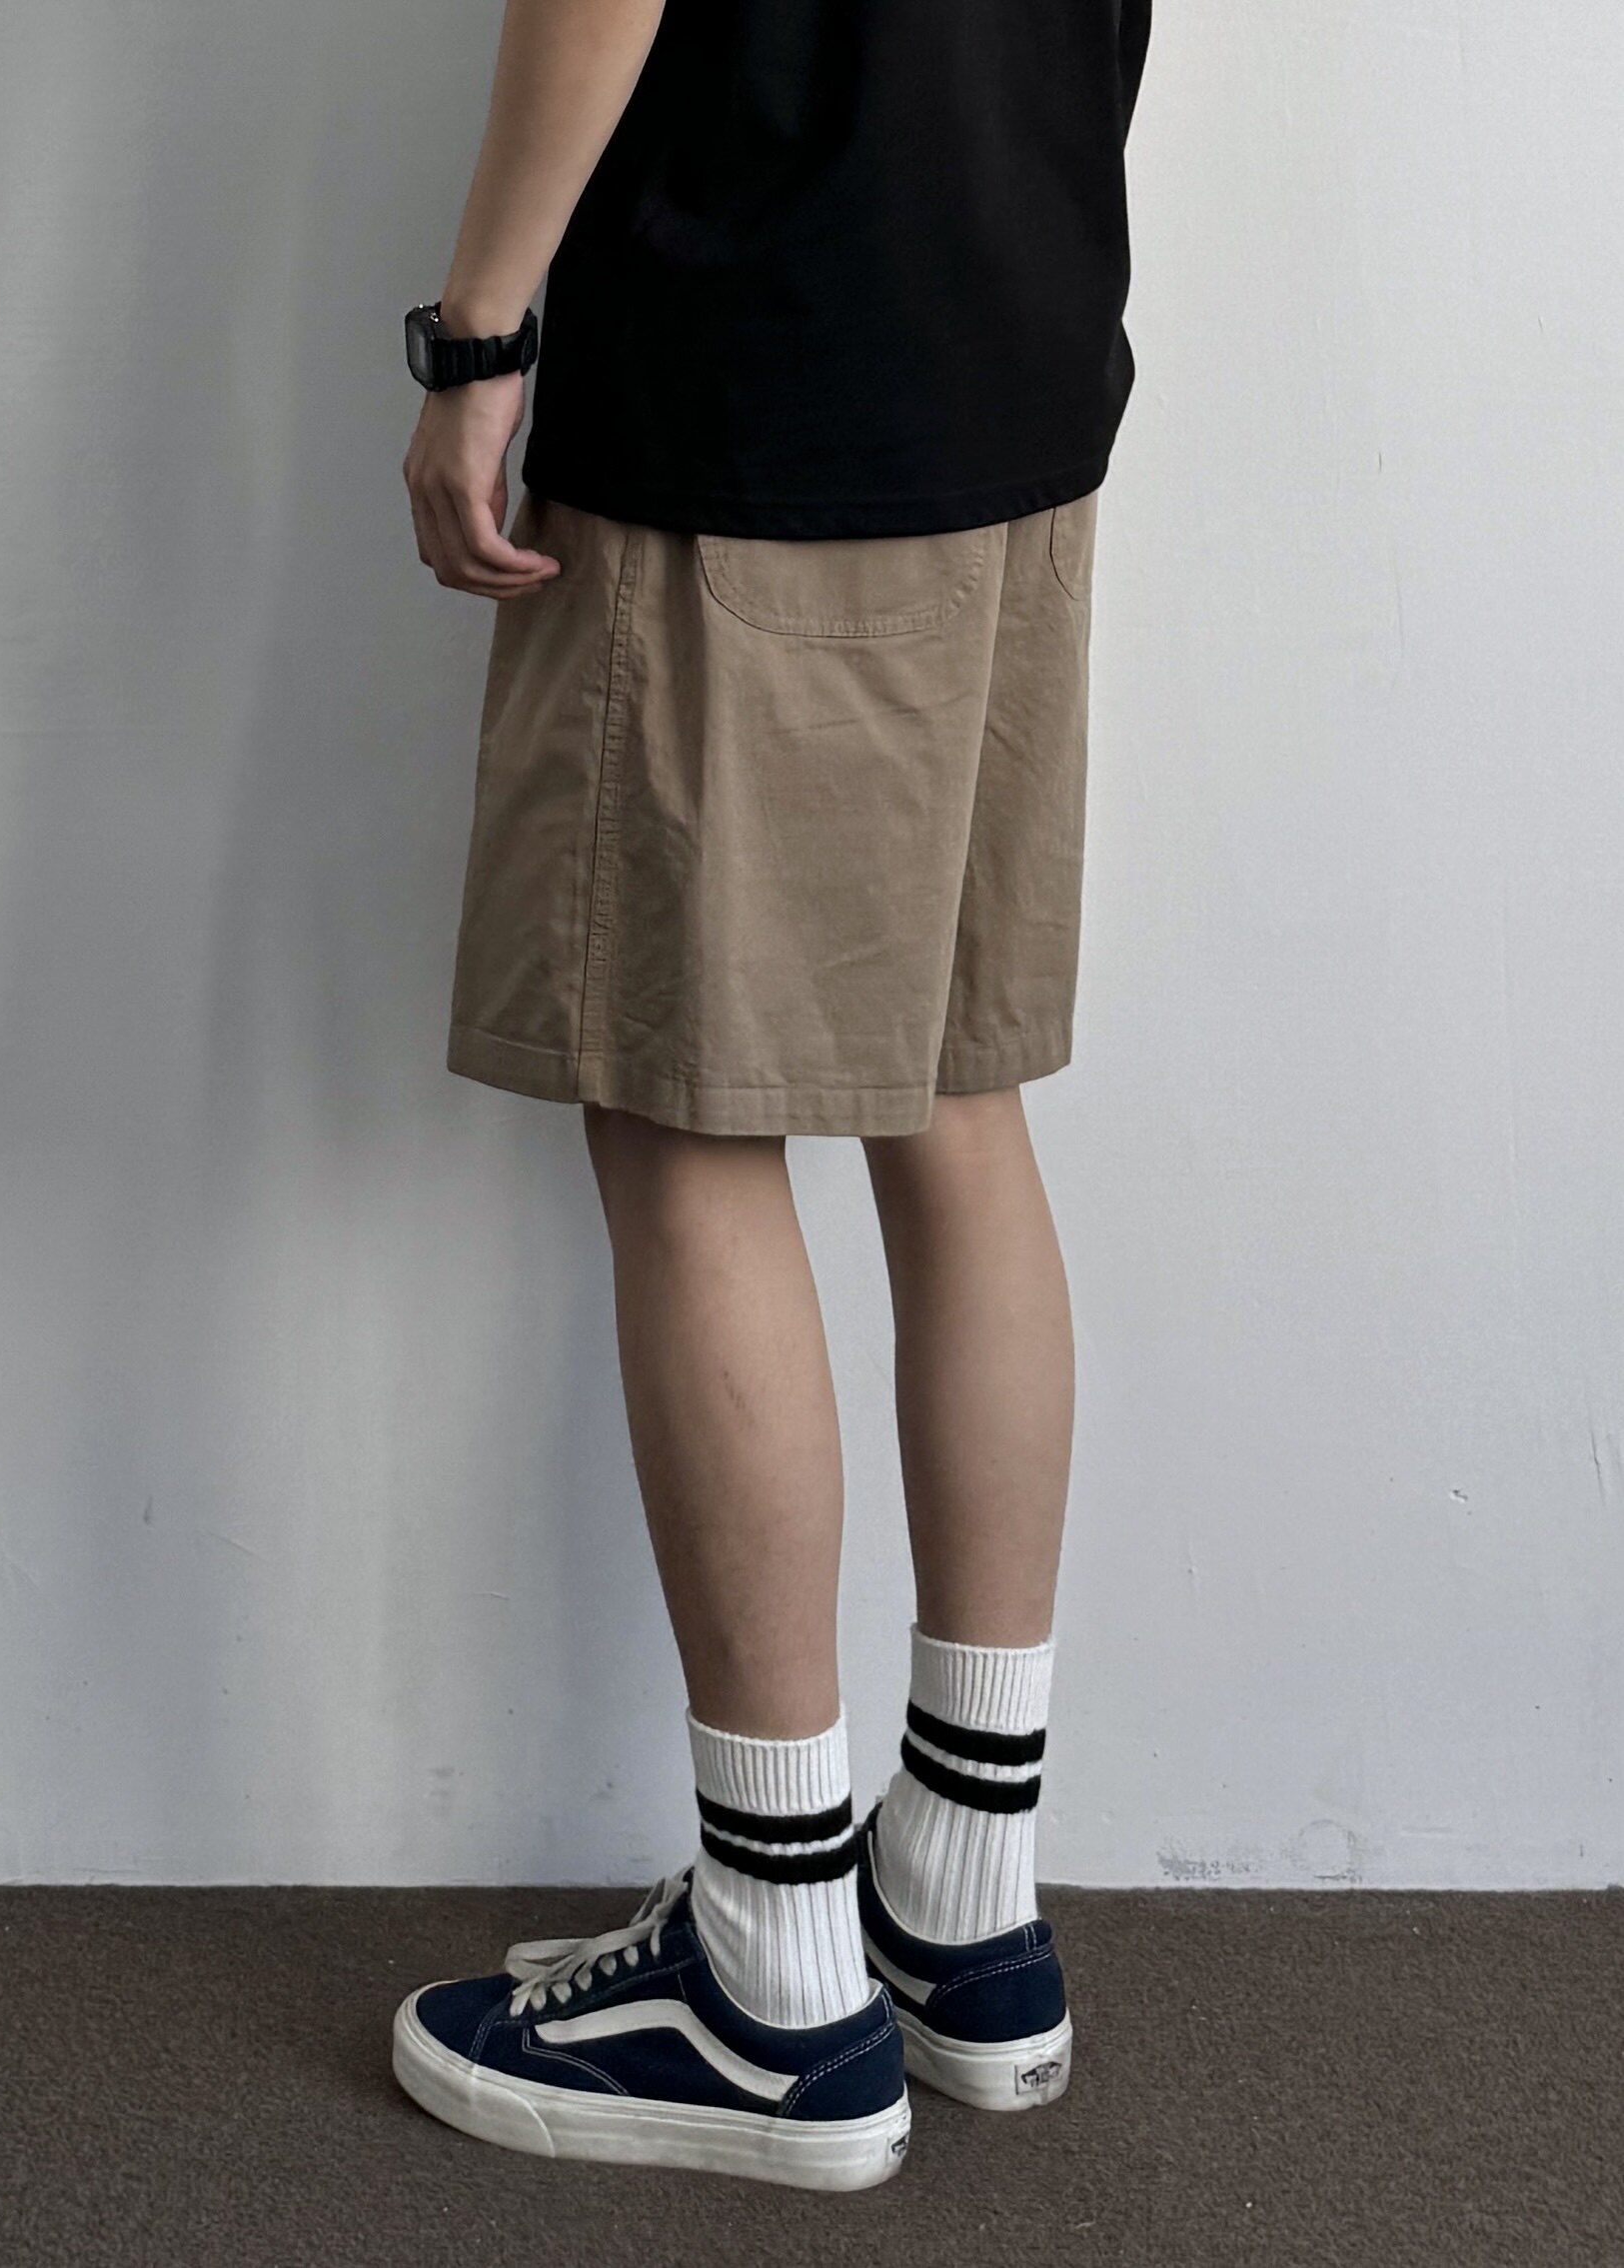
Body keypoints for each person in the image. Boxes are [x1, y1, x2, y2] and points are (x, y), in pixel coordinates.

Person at [391, 0, 1151, 2194]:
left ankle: (769, 1973)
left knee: (686, 1124)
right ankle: (958, 1898)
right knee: (951, 1096)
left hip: (757, 365)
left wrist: (478, 333)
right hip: (1010, 333)